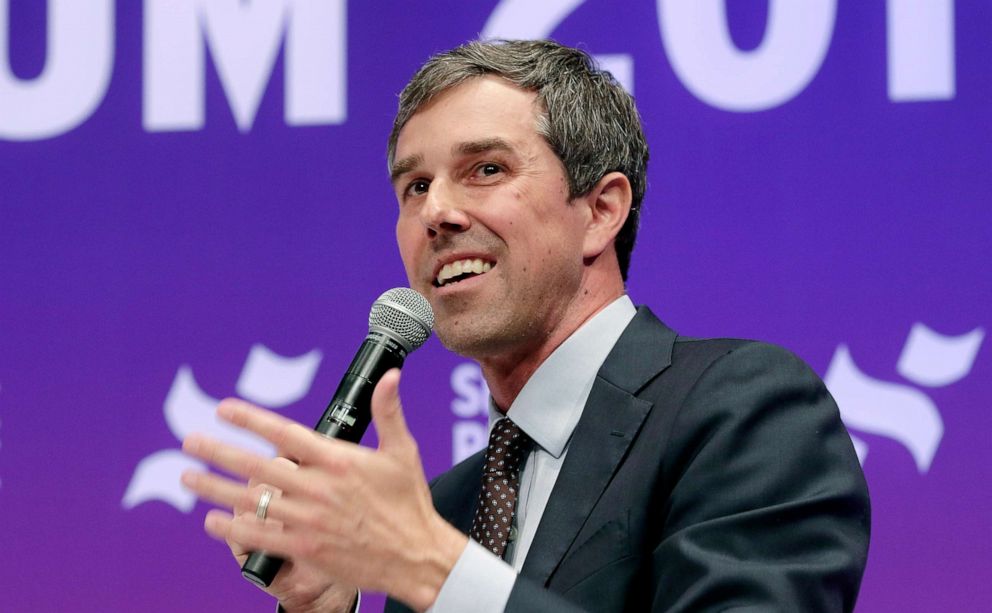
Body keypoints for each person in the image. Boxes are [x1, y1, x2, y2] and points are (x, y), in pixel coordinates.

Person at [181, 40, 870, 612]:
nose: (436, 213)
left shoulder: (742, 410)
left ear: (600, 211)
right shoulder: (447, 508)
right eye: (414, 186)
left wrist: (433, 569)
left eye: (485, 169)